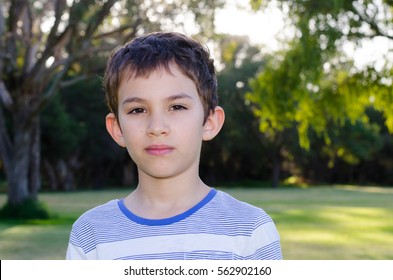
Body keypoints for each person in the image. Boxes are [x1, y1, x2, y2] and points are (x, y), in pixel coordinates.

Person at [66, 32, 282, 260]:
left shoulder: (250, 230)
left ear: (209, 122)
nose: (157, 127)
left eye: (177, 107)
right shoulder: (91, 235)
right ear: (117, 128)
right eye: (137, 110)